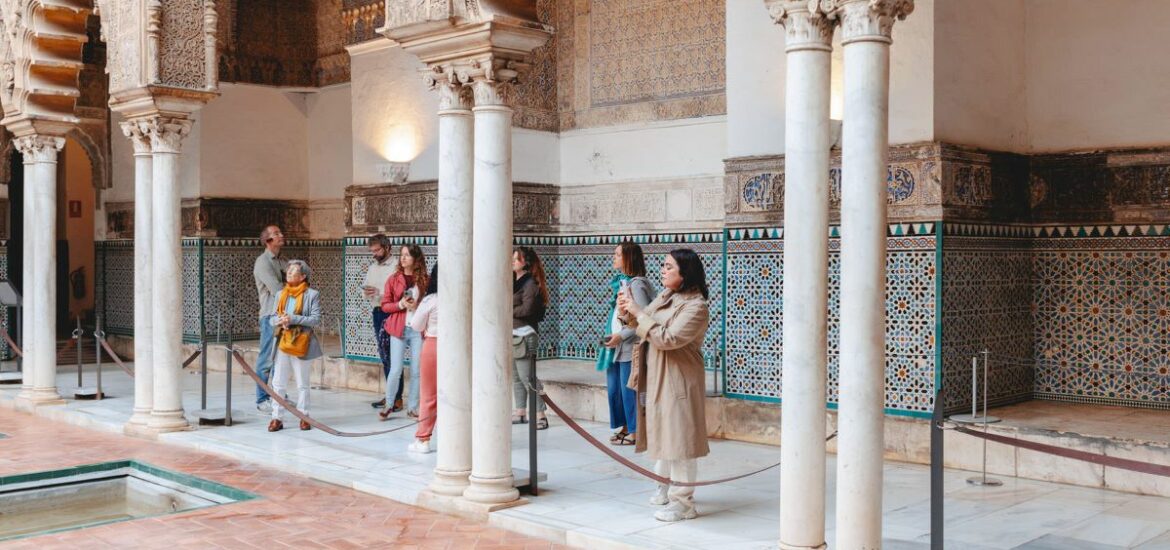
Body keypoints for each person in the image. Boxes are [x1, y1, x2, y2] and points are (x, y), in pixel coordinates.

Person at [618, 248, 711, 523]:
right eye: (663, 265)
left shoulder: (696, 307)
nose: (663, 270)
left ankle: (684, 503)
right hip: (658, 375)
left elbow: (668, 338)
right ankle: (664, 486)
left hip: (679, 380)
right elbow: (643, 321)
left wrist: (637, 312)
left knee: (680, 438)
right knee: (662, 432)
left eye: (669, 267)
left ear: (685, 273)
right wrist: (627, 312)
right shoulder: (666, 296)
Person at [599, 242, 653, 446]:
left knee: (628, 389)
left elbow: (644, 317)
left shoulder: (637, 284)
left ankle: (635, 430)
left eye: (617, 254)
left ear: (628, 258)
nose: (614, 257)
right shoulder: (623, 283)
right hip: (617, 346)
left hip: (630, 347)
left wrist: (621, 336)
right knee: (616, 390)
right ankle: (623, 426)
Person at [267, 260, 322, 432]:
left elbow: (315, 319)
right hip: (284, 341)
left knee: (302, 383)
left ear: (303, 276)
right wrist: (280, 321)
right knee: (278, 382)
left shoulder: (311, 295)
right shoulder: (281, 294)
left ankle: (303, 416)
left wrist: (293, 319)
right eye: (288, 271)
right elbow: (272, 318)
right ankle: (277, 417)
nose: (289, 274)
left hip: (301, 342)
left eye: (294, 272)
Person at [378, 244, 427, 420]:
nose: (403, 258)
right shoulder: (393, 279)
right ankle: (389, 405)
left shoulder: (424, 280)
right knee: (396, 368)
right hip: (398, 329)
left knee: (416, 370)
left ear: (416, 258)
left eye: (407, 255)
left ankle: (412, 407)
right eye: (402, 255)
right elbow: (385, 305)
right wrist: (401, 304)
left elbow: (430, 305)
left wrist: (417, 306)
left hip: (416, 329)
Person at [362, 234, 403, 411]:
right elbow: (365, 288)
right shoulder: (373, 267)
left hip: (392, 314)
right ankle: (390, 396)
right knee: (385, 355)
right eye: (372, 251)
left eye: (377, 250)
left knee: (394, 356)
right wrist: (367, 293)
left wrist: (380, 294)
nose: (374, 254)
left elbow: (399, 294)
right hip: (378, 312)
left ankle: (397, 398)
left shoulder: (397, 267)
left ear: (387, 248)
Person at [511, 246, 550, 429]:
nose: (512, 261)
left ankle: (540, 414)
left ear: (525, 262)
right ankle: (520, 412)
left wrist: (507, 311)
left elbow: (527, 310)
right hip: (512, 335)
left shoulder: (530, 284)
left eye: (516, 258)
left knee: (528, 377)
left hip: (525, 336)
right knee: (517, 377)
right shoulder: (515, 282)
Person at [253, 224, 288, 414]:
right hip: (270, 316)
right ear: (268, 240)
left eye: (279, 232)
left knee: (280, 359)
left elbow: (300, 277)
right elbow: (278, 290)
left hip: (282, 316)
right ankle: (262, 397)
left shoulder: (282, 260)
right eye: (276, 234)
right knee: (266, 358)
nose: (281, 235)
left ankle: (277, 393)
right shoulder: (263, 262)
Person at [407, 264, 439, 453]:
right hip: (459, 347)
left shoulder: (431, 300)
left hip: (434, 345)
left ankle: (423, 439)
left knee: (428, 394)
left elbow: (416, 325)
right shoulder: (463, 298)